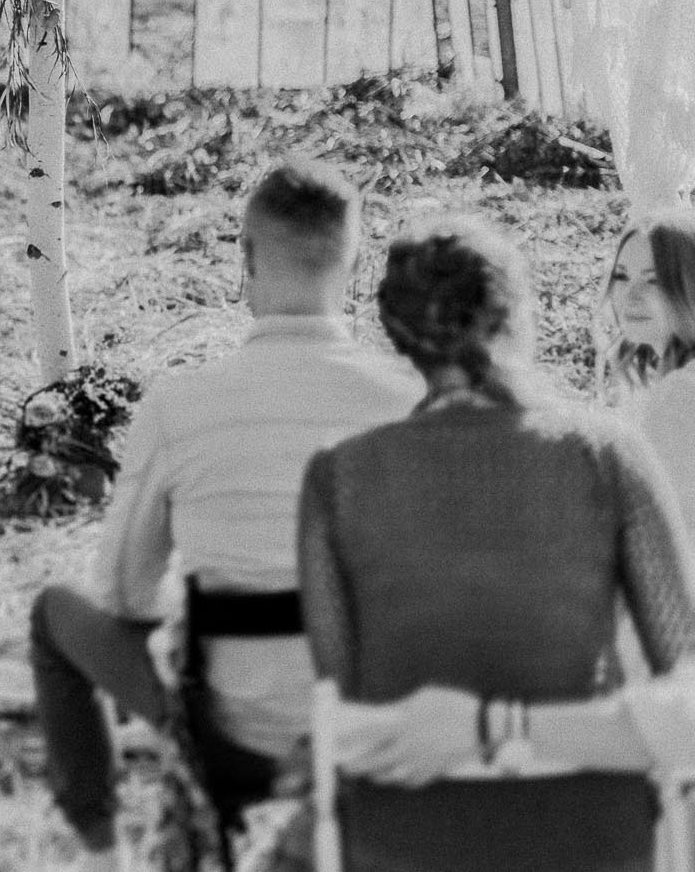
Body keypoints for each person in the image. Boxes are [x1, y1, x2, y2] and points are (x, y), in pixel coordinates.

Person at [27, 160, 423, 868]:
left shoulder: (181, 404)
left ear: (245, 260)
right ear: (354, 265)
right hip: (371, 733)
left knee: (56, 613)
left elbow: (123, 593)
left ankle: (101, 852)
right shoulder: (408, 404)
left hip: (230, 739)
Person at [297, 217, 695, 872]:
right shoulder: (609, 454)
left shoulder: (336, 475)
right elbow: (684, 700)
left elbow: (346, 715)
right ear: (518, 319)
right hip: (592, 841)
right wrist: (508, 725)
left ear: (400, 338)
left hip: (407, 844)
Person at [603, 209, 695, 517]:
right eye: (621, 276)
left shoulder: (679, 396)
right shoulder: (671, 387)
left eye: (653, 281)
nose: (631, 295)